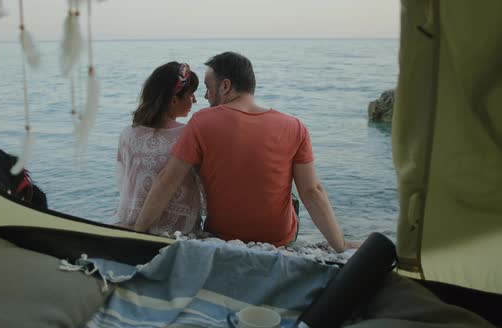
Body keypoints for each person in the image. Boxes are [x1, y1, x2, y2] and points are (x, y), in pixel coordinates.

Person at [134, 52, 358, 252]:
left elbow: (168, 180)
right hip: (280, 239)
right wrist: (340, 245)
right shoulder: (294, 126)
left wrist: (137, 232)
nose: (205, 97)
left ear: (225, 86)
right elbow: (312, 191)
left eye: (208, 88)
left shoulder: (202, 122)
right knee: (290, 193)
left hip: (222, 236)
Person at [114, 61, 203, 236]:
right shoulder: (187, 134)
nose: (194, 100)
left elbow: (124, 182)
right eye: (191, 95)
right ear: (174, 100)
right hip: (175, 231)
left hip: (127, 223)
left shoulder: (127, 134)